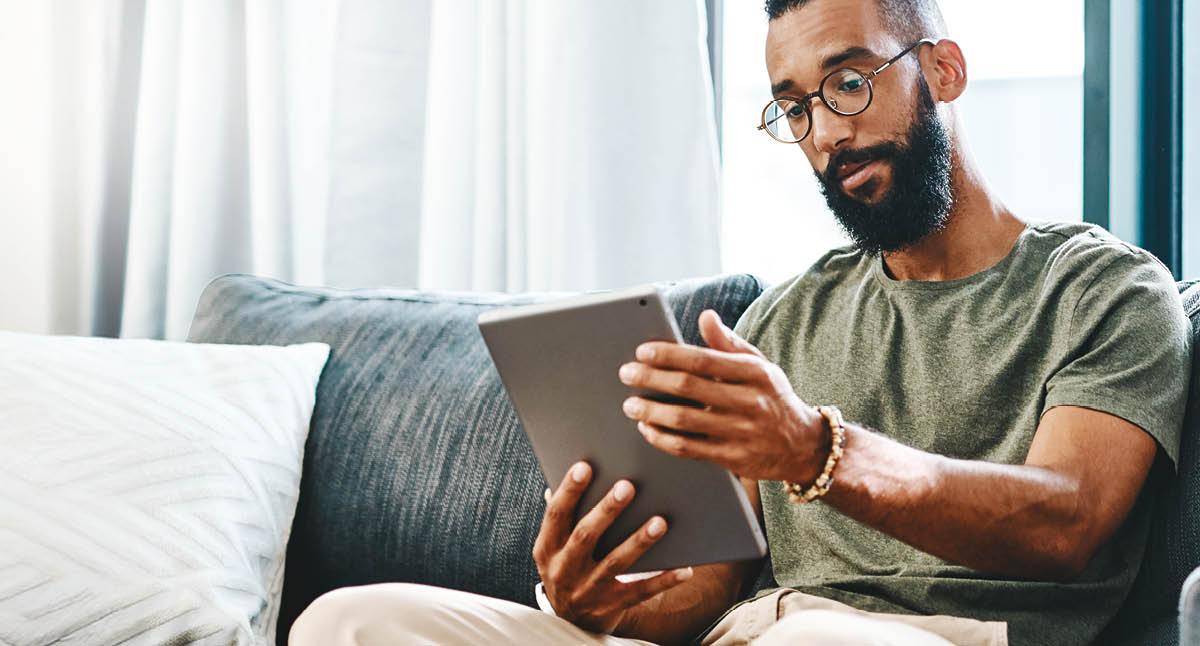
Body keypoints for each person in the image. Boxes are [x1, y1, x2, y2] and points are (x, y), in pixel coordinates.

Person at [288, 0, 1191, 644]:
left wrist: (815, 452)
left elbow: (1066, 526)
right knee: (352, 620)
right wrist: (596, 606)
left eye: (847, 81)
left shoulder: (1105, 290)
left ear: (944, 70)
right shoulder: (785, 318)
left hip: (937, 639)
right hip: (751, 634)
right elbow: (710, 594)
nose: (825, 133)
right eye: (794, 106)